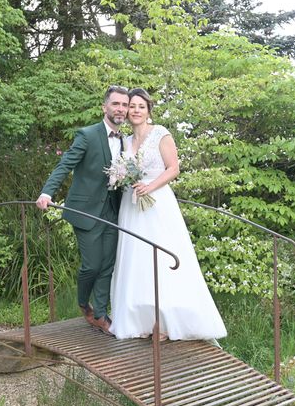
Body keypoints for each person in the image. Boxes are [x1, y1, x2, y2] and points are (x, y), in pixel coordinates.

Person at [109, 88, 227, 342]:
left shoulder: (161, 133)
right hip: (132, 206)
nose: (136, 111)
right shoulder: (125, 142)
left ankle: (164, 323)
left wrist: (149, 187)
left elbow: (174, 168)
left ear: (149, 110)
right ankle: (139, 320)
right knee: (136, 260)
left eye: (141, 106)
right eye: (132, 107)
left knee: (162, 259)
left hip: (157, 203)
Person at [36, 85, 130, 334]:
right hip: (86, 210)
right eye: (116, 104)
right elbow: (64, 165)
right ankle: (82, 303)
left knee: (108, 264)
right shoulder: (87, 135)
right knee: (92, 265)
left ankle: (100, 314)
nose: (120, 109)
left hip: (113, 209)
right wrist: (47, 192)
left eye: (124, 105)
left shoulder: (126, 141)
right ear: (105, 107)